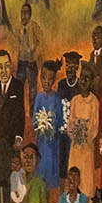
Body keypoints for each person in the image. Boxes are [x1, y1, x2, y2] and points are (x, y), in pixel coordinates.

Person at [32, 57, 66, 190]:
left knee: (51, 173)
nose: (46, 81)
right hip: (41, 142)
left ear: (54, 80)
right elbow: (35, 117)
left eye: (50, 79)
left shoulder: (56, 98)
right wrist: (40, 123)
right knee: (41, 175)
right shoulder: (39, 97)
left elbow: (60, 119)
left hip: (53, 144)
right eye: (43, 77)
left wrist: (51, 126)